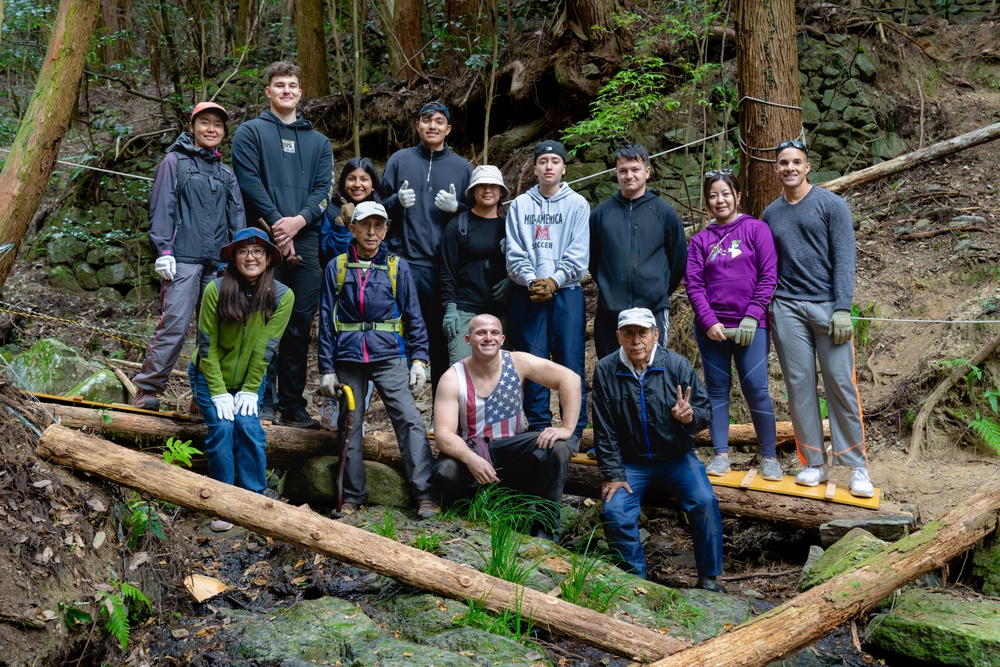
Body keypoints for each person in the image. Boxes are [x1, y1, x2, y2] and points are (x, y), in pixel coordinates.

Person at [762, 139, 874, 498]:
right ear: (776, 169)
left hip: (828, 307)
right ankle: (814, 462)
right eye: (783, 163)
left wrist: (843, 307)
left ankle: (856, 466)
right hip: (787, 308)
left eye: (796, 162)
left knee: (841, 383)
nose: (790, 168)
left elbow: (845, 258)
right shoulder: (770, 214)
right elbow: (767, 264)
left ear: (807, 167)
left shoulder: (831, 205)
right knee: (799, 386)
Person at [316, 201, 439, 519]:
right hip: (348, 356)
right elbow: (327, 323)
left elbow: (414, 317)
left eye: (378, 225)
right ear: (353, 228)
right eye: (365, 225)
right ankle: (353, 497)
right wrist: (326, 369)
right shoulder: (337, 266)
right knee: (349, 423)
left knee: (410, 420)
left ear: (386, 230)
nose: (371, 232)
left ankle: (425, 495)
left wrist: (419, 360)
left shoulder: (398, 267)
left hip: (390, 355)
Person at [231, 60, 334, 428]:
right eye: (279, 85)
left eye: (292, 85)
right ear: (268, 92)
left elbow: (324, 191)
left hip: (305, 243)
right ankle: (263, 401)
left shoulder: (319, 142)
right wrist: (279, 229)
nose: (286, 90)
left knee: (298, 325)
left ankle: (293, 404)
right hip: (260, 241)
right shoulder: (249, 133)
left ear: (300, 92)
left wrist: (298, 222)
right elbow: (248, 183)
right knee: (259, 319)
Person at [592, 308, 724, 591]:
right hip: (631, 463)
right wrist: (613, 473)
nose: (636, 340)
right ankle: (635, 580)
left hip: (676, 458)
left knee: (704, 501)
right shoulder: (605, 369)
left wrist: (688, 418)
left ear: (655, 335)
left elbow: (705, 411)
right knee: (615, 511)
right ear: (618, 336)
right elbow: (604, 429)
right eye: (629, 333)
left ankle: (709, 577)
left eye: (642, 333)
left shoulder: (676, 365)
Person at [133, 101, 245, 411]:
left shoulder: (226, 173)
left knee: (215, 331)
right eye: (205, 123)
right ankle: (148, 389)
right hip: (182, 258)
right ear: (192, 127)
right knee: (175, 325)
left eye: (218, 125)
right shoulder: (175, 162)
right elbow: (162, 206)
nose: (211, 129)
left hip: (218, 264)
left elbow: (237, 217)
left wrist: (238, 259)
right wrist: (163, 250)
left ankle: (203, 397)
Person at [433, 314, 581, 540]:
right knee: (445, 471)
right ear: (468, 339)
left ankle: (546, 528)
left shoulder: (516, 361)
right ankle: (463, 515)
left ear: (502, 339)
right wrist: (471, 459)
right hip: (473, 449)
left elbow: (570, 379)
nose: (488, 338)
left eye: (493, 333)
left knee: (558, 447)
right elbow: (443, 435)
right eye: (480, 333)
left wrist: (567, 428)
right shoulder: (453, 378)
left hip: (512, 448)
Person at [189, 228, 294, 532]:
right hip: (210, 375)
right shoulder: (216, 289)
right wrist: (219, 392)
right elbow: (206, 347)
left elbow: (266, 348)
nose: (251, 257)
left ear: (269, 257)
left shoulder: (282, 296)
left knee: (248, 426)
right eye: (243, 252)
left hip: (251, 378)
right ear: (233, 258)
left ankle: (253, 498)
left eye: (258, 251)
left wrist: (249, 390)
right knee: (222, 427)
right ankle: (223, 503)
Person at [685, 170, 780, 481]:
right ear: (707, 202)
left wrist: (753, 315)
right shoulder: (700, 240)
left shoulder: (756, 229)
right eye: (713, 195)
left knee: (756, 388)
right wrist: (708, 320)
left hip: (751, 327)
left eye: (725, 193)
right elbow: (694, 285)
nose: (720, 200)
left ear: (737, 196)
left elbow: (768, 276)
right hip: (713, 329)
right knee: (716, 390)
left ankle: (769, 456)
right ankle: (721, 454)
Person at [380, 101, 473, 397]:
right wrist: (395, 201)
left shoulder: (462, 167)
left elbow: (478, 214)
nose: (432, 126)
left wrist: (457, 208)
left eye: (439, 121)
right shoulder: (399, 160)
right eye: (426, 120)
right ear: (418, 125)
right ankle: (402, 405)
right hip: (403, 263)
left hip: (443, 268)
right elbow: (375, 209)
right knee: (400, 335)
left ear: (448, 128)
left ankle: (441, 411)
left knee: (439, 339)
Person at [505, 140, 589, 447]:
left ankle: (574, 428)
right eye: (543, 161)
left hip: (566, 292)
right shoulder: (519, 206)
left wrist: (554, 279)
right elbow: (514, 252)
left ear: (564, 168)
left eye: (555, 161)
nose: (549, 166)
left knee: (570, 357)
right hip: (527, 293)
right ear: (535, 168)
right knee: (531, 358)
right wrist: (531, 280)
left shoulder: (578, 205)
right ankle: (539, 425)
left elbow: (579, 253)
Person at [589, 143, 687, 359]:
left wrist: (658, 290)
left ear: (647, 172)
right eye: (623, 171)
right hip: (611, 310)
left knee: (652, 370)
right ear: (616, 173)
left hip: (653, 308)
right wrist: (609, 288)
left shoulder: (664, 212)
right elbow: (593, 259)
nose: (629, 176)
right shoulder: (601, 214)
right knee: (612, 371)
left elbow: (678, 260)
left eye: (635, 169)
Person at [317, 157, 381, 430]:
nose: (358, 184)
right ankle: (333, 407)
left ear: (372, 183)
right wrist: (343, 226)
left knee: (368, 354)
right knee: (341, 347)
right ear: (343, 182)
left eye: (364, 179)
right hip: (341, 288)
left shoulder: (379, 211)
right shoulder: (331, 210)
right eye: (352, 178)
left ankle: (357, 414)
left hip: (374, 291)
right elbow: (328, 251)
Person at [440, 165, 511, 365]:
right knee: (464, 376)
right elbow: (447, 270)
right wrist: (450, 308)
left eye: (493, 186)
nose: (487, 190)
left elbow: (525, 260)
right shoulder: (458, 226)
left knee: (499, 377)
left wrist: (513, 282)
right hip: (465, 311)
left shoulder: (511, 225)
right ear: (473, 191)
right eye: (482, 186)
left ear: (501, 191)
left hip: (502, 312)